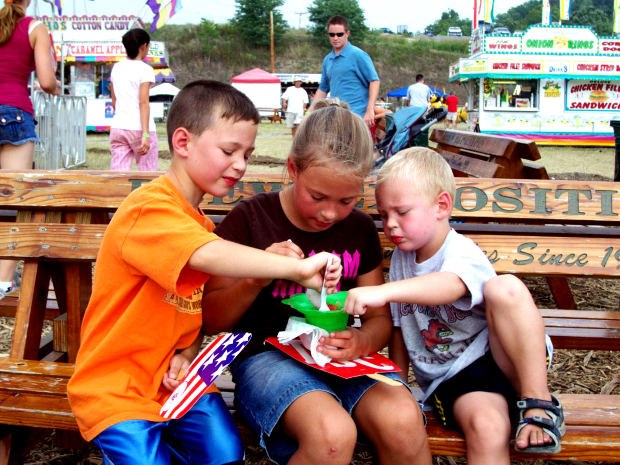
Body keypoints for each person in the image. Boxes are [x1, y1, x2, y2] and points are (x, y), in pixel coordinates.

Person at [67, 80, 341, 465]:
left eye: (247, 153)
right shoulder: (149, 209)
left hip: (176, 381)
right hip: (118, 385)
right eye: (229, 151)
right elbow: (206, 256)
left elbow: (193, 308)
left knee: (224, 452)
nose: (241, 165)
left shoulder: (198, 226)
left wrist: (190, 349)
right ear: (182, 143)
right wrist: (295, 268)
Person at [198, 104, 431, 465]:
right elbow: (213, 319)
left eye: (346, 201)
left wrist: (363, 341)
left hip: (342, 359)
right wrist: (259, 273)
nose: (329, 213)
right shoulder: (252, 220)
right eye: (317, 197)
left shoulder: (359, 229)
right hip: (265, 359)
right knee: (332, 435)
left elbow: (379, 320)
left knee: (403, 420)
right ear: (293, 169)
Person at [343, 147, 566, 464]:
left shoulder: (460, 252)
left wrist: (383, 291)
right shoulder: (404, 260)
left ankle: (538, 404)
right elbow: (399, 327)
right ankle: (520, 411)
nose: (390, 224)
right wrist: (400, 385)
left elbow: (449, 286)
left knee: (507, 287)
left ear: (441, 205)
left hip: (506, 355)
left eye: (402, 212)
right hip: (457, 379)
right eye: (383, 214)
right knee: (487, 427)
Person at [0, 0, 59, 299]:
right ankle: (3, 279)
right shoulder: (36, 28)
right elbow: (46, 81)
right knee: (16, 199)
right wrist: (56, 86)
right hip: (14, 114)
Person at [308, 15, 380, 128]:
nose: (335, 38)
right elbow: (323, 89)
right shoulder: (327, 60)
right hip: (336, 117)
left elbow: (374, 81)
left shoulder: (358, 55)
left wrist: (370, 110)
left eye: (339, 34)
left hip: (357, 118)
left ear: (347, 33)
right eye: (332, 34)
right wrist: (309, 113)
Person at [109, 28, 158, 171]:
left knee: (118, 176)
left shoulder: (116, 68)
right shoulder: (145, 70)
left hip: (119, 127)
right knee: (147, 174)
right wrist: (145, 133)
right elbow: (143, 102)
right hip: (139, 127)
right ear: (143, 46)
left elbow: (114, 101)